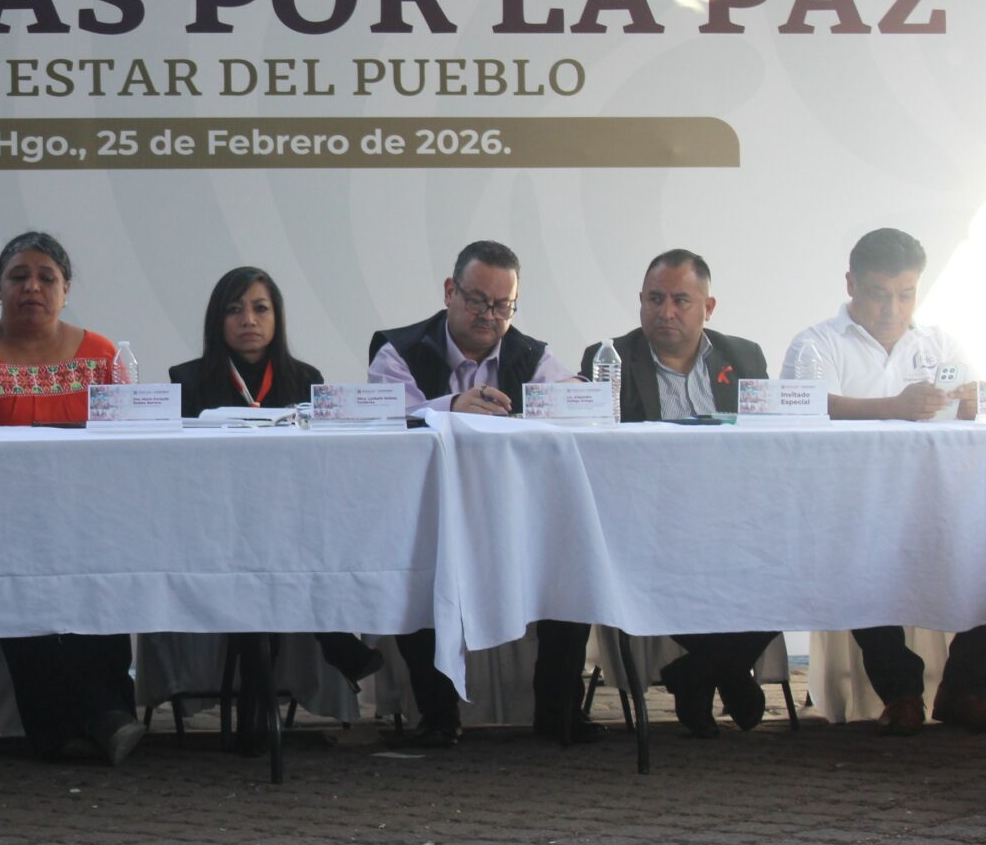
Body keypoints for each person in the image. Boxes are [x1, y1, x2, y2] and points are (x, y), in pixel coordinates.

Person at [367, 239, 597, 747]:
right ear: (450, 291)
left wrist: (575, 393)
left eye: (503, 306)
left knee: (569, 564)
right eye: (477, 301)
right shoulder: (398, 349)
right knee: (415, 573)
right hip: (431, 514)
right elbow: (386, 418)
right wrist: (451, 406)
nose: (489, 316)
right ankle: (437, 715)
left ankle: (558, 710)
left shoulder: (529, 353)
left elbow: (573, 399)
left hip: (515, 514)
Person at [0, 231, 143, 764]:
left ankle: (86, 722)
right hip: (3, 520)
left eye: (46, 277)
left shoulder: (102, 355)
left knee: (97, 575)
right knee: (19, 583)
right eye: (18, 276)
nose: (32, 286)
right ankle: (103, 720)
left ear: (66, 289)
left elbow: (124, 442)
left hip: (89, 516)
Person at [168, 266, 384, 748]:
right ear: (217, 320)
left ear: (277, 317)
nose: (248, 319)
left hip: (291, 518)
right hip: (214, 523)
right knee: (257, 560)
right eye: (235, 309)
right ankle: (333, 641)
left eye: (260, 308)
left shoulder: (306, 379)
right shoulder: (187, 381)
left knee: (271, 555)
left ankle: (259, 710)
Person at [783, 228, 979, 735]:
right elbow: (805, 407)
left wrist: (968, 408)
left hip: (934, 503)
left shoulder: (940, 343)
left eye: (905, 294)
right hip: (850, 508)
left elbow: (966, 424)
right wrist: (893, 407)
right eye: (878, 293)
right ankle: (901, 694)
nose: (893, 309)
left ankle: (963, 685)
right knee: (859, 562)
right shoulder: (817, 344)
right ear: (851, 283)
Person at [579, 249, 776, 737]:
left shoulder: (743, 357)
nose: (665, 312)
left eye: (680, 301)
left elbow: (767, 440)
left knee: (792, 561)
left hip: (734, 517)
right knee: (664, 568)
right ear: (640, 301)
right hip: (650, 521)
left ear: (708, 308)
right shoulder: (610, 358)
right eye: (654, 299)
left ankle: (700, 670)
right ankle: (725, 669)